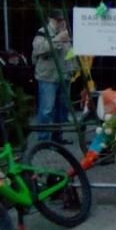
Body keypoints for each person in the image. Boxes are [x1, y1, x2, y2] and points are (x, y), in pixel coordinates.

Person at [31, 9, 76, 144]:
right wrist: (57, 40)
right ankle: (43, 139)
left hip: (64, 76)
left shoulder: (67, 33)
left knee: (62, 108)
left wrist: (73, 68)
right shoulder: (42, 32)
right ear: (51, 19)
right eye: (58, 20)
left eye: (62, 20)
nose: (61, 22)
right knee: (46, 109)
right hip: (48, 76)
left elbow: (70, 53)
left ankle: (58, 136)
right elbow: (38, 49)